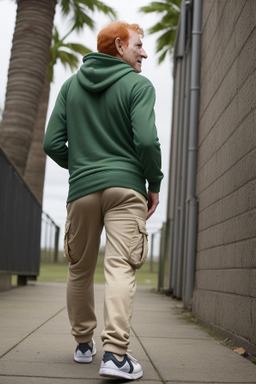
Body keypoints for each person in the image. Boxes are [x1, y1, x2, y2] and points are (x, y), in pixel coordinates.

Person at [43, 21, 163, 381]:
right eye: (139, 45)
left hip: (81, 190)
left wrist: (80, 167)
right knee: (120, 267)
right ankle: (115, 355)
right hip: (126, 189)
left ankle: (83, 345)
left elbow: (51, 143)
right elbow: (145, 141)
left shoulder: (69, 87)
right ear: (119, 46)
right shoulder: (138, 86)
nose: (144, 52)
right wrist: (153, 182)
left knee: (79, 268)